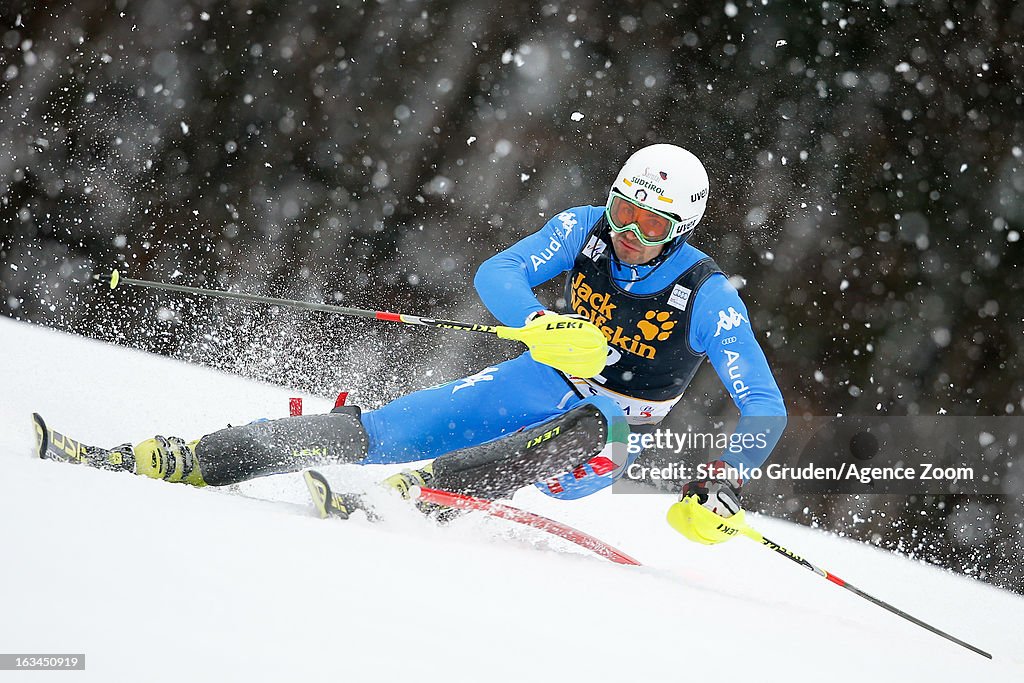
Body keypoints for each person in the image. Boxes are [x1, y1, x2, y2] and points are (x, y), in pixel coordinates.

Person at [44, 144, 787, 544]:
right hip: (541, 376)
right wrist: (536, 323)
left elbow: (764, 405)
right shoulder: (583, 226)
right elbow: (498, 272)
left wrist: (726, 477)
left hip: (612, 434)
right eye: (625, 210)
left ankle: (423, 494)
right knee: (377, 429)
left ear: (679, 232)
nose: (627, 234)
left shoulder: (706, 293)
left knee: (595, 427)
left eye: (649, 226)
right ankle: (186, 457)